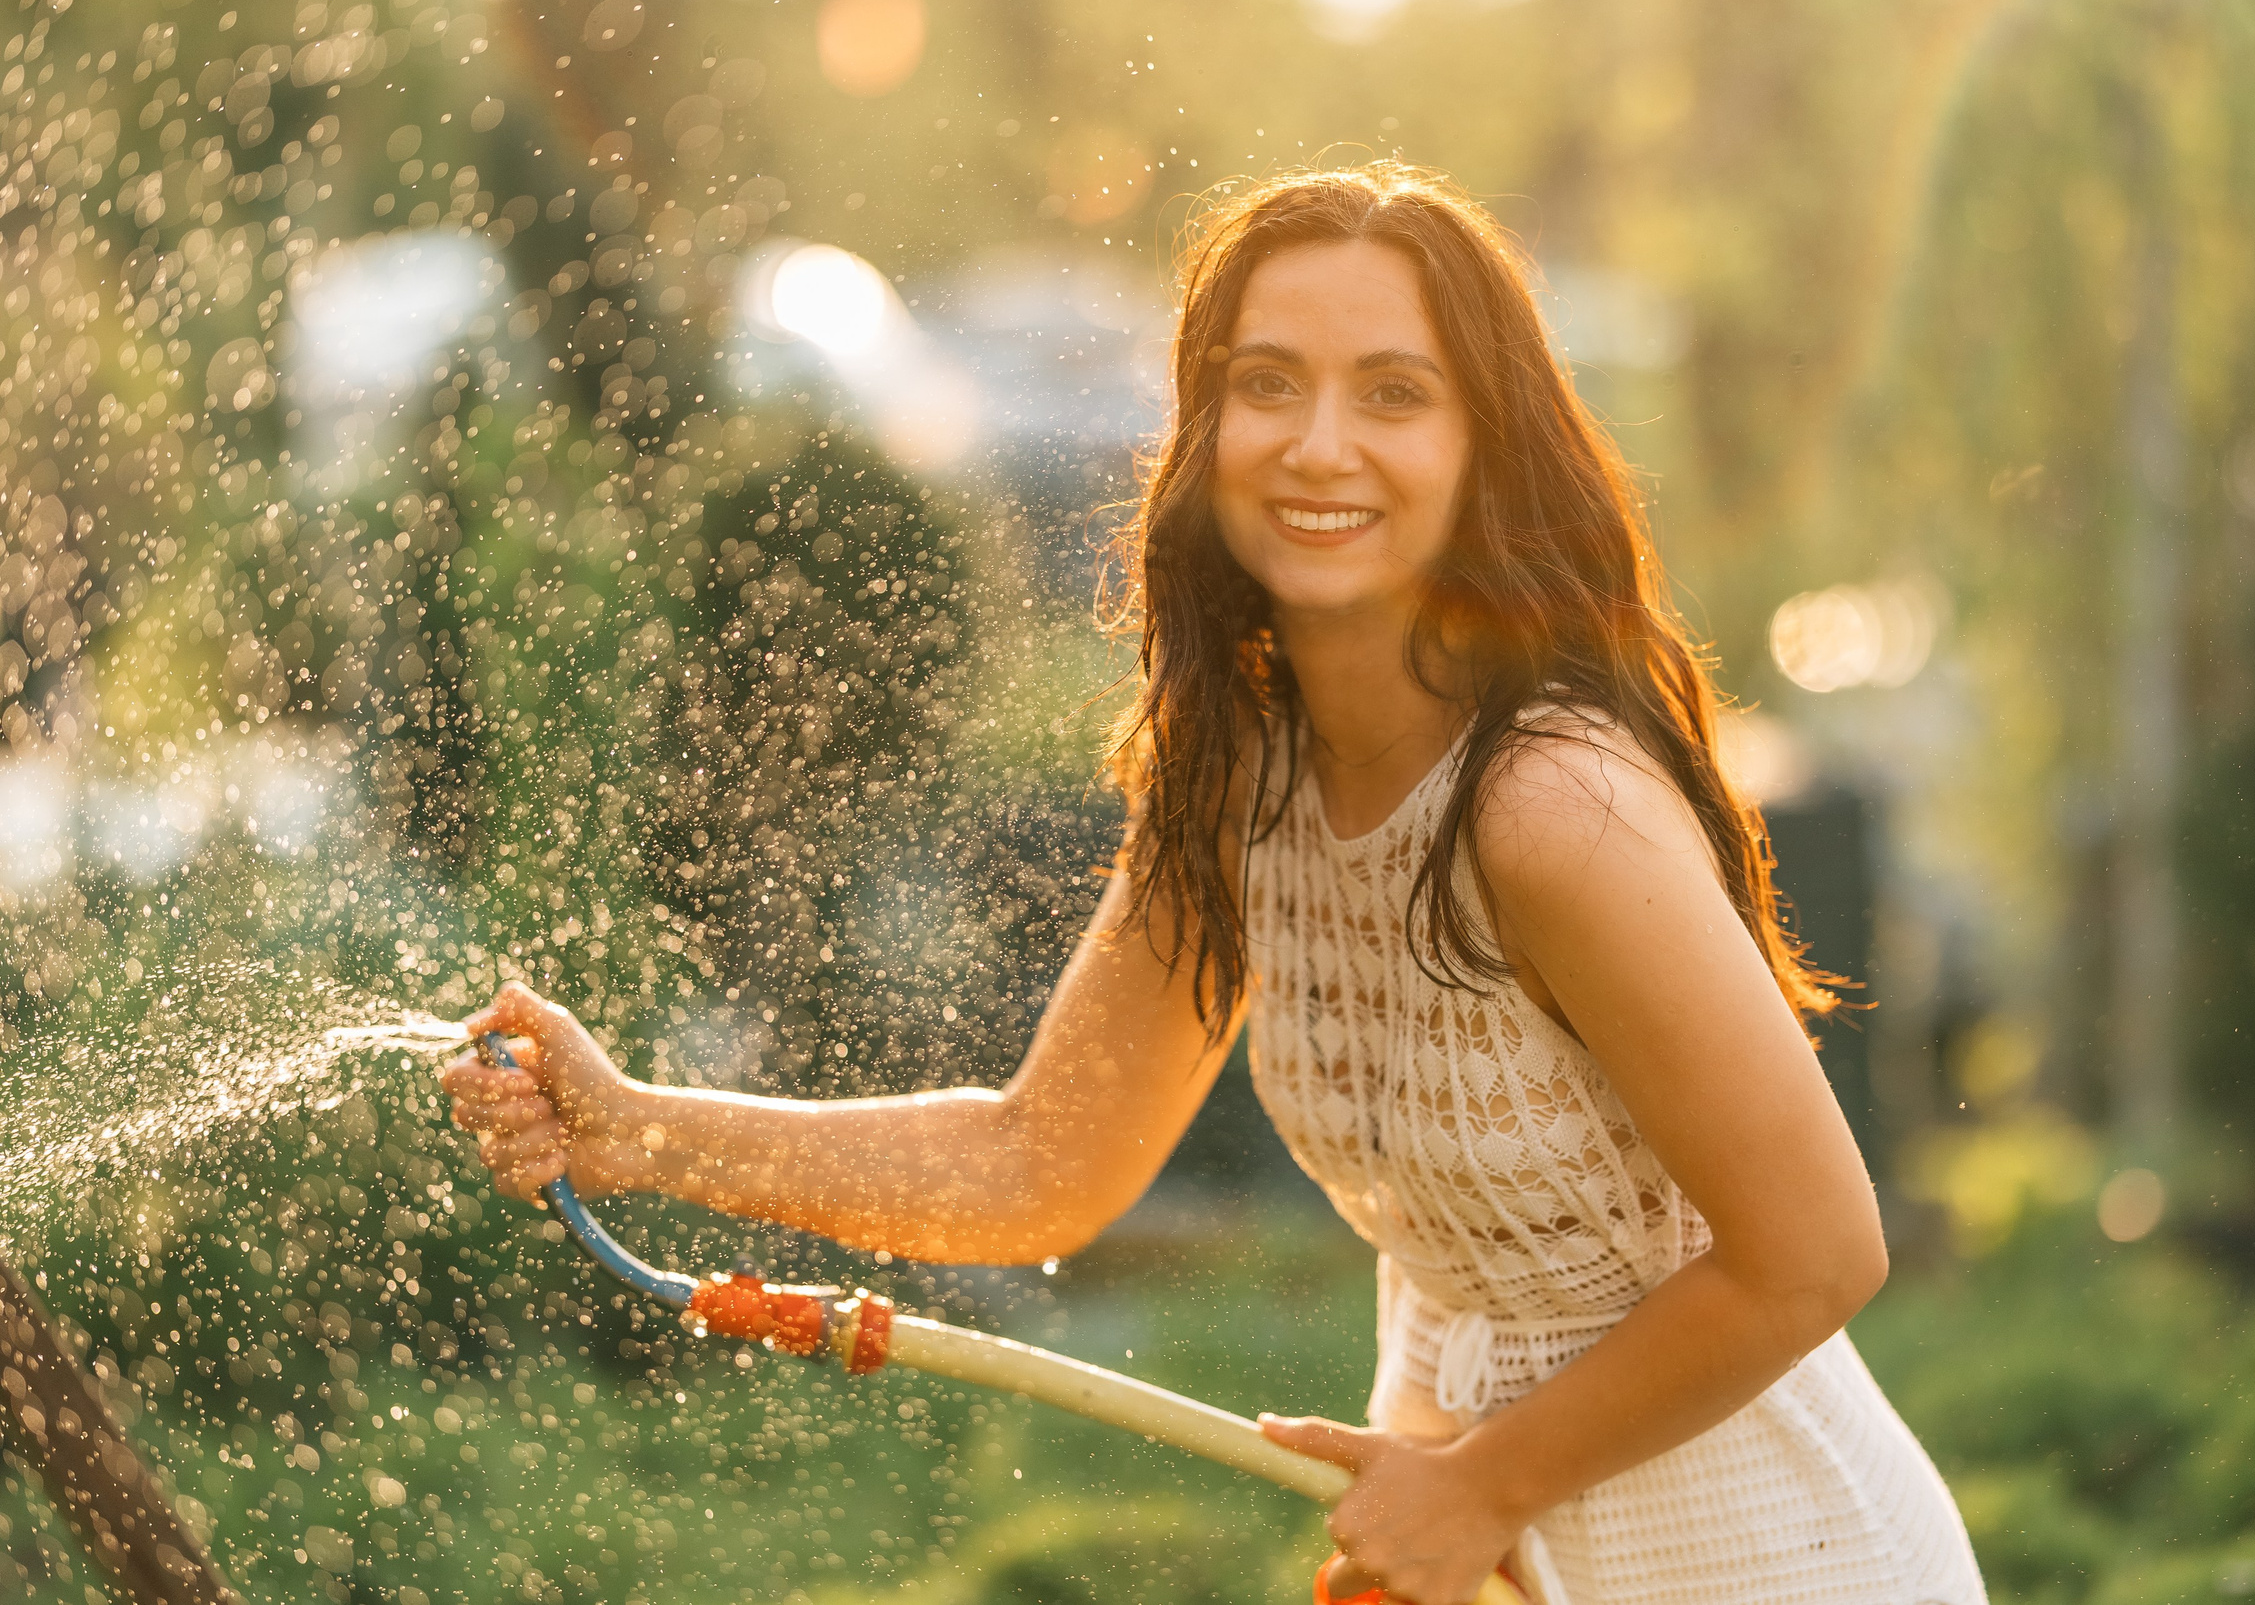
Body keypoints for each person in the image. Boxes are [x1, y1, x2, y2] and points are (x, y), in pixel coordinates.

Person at [442, 162, 1986, 1605]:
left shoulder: (1549, 803)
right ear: (1204, 432)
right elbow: (1039, 1163)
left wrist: (1490, 1481)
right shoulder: (1244, 784)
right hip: (1490, 1546)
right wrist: (638, 1127)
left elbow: (1818, 1250)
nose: (1320, 445)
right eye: (1268, 386)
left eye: (1395, 393)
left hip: (1772, 1553)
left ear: (1480, 449)